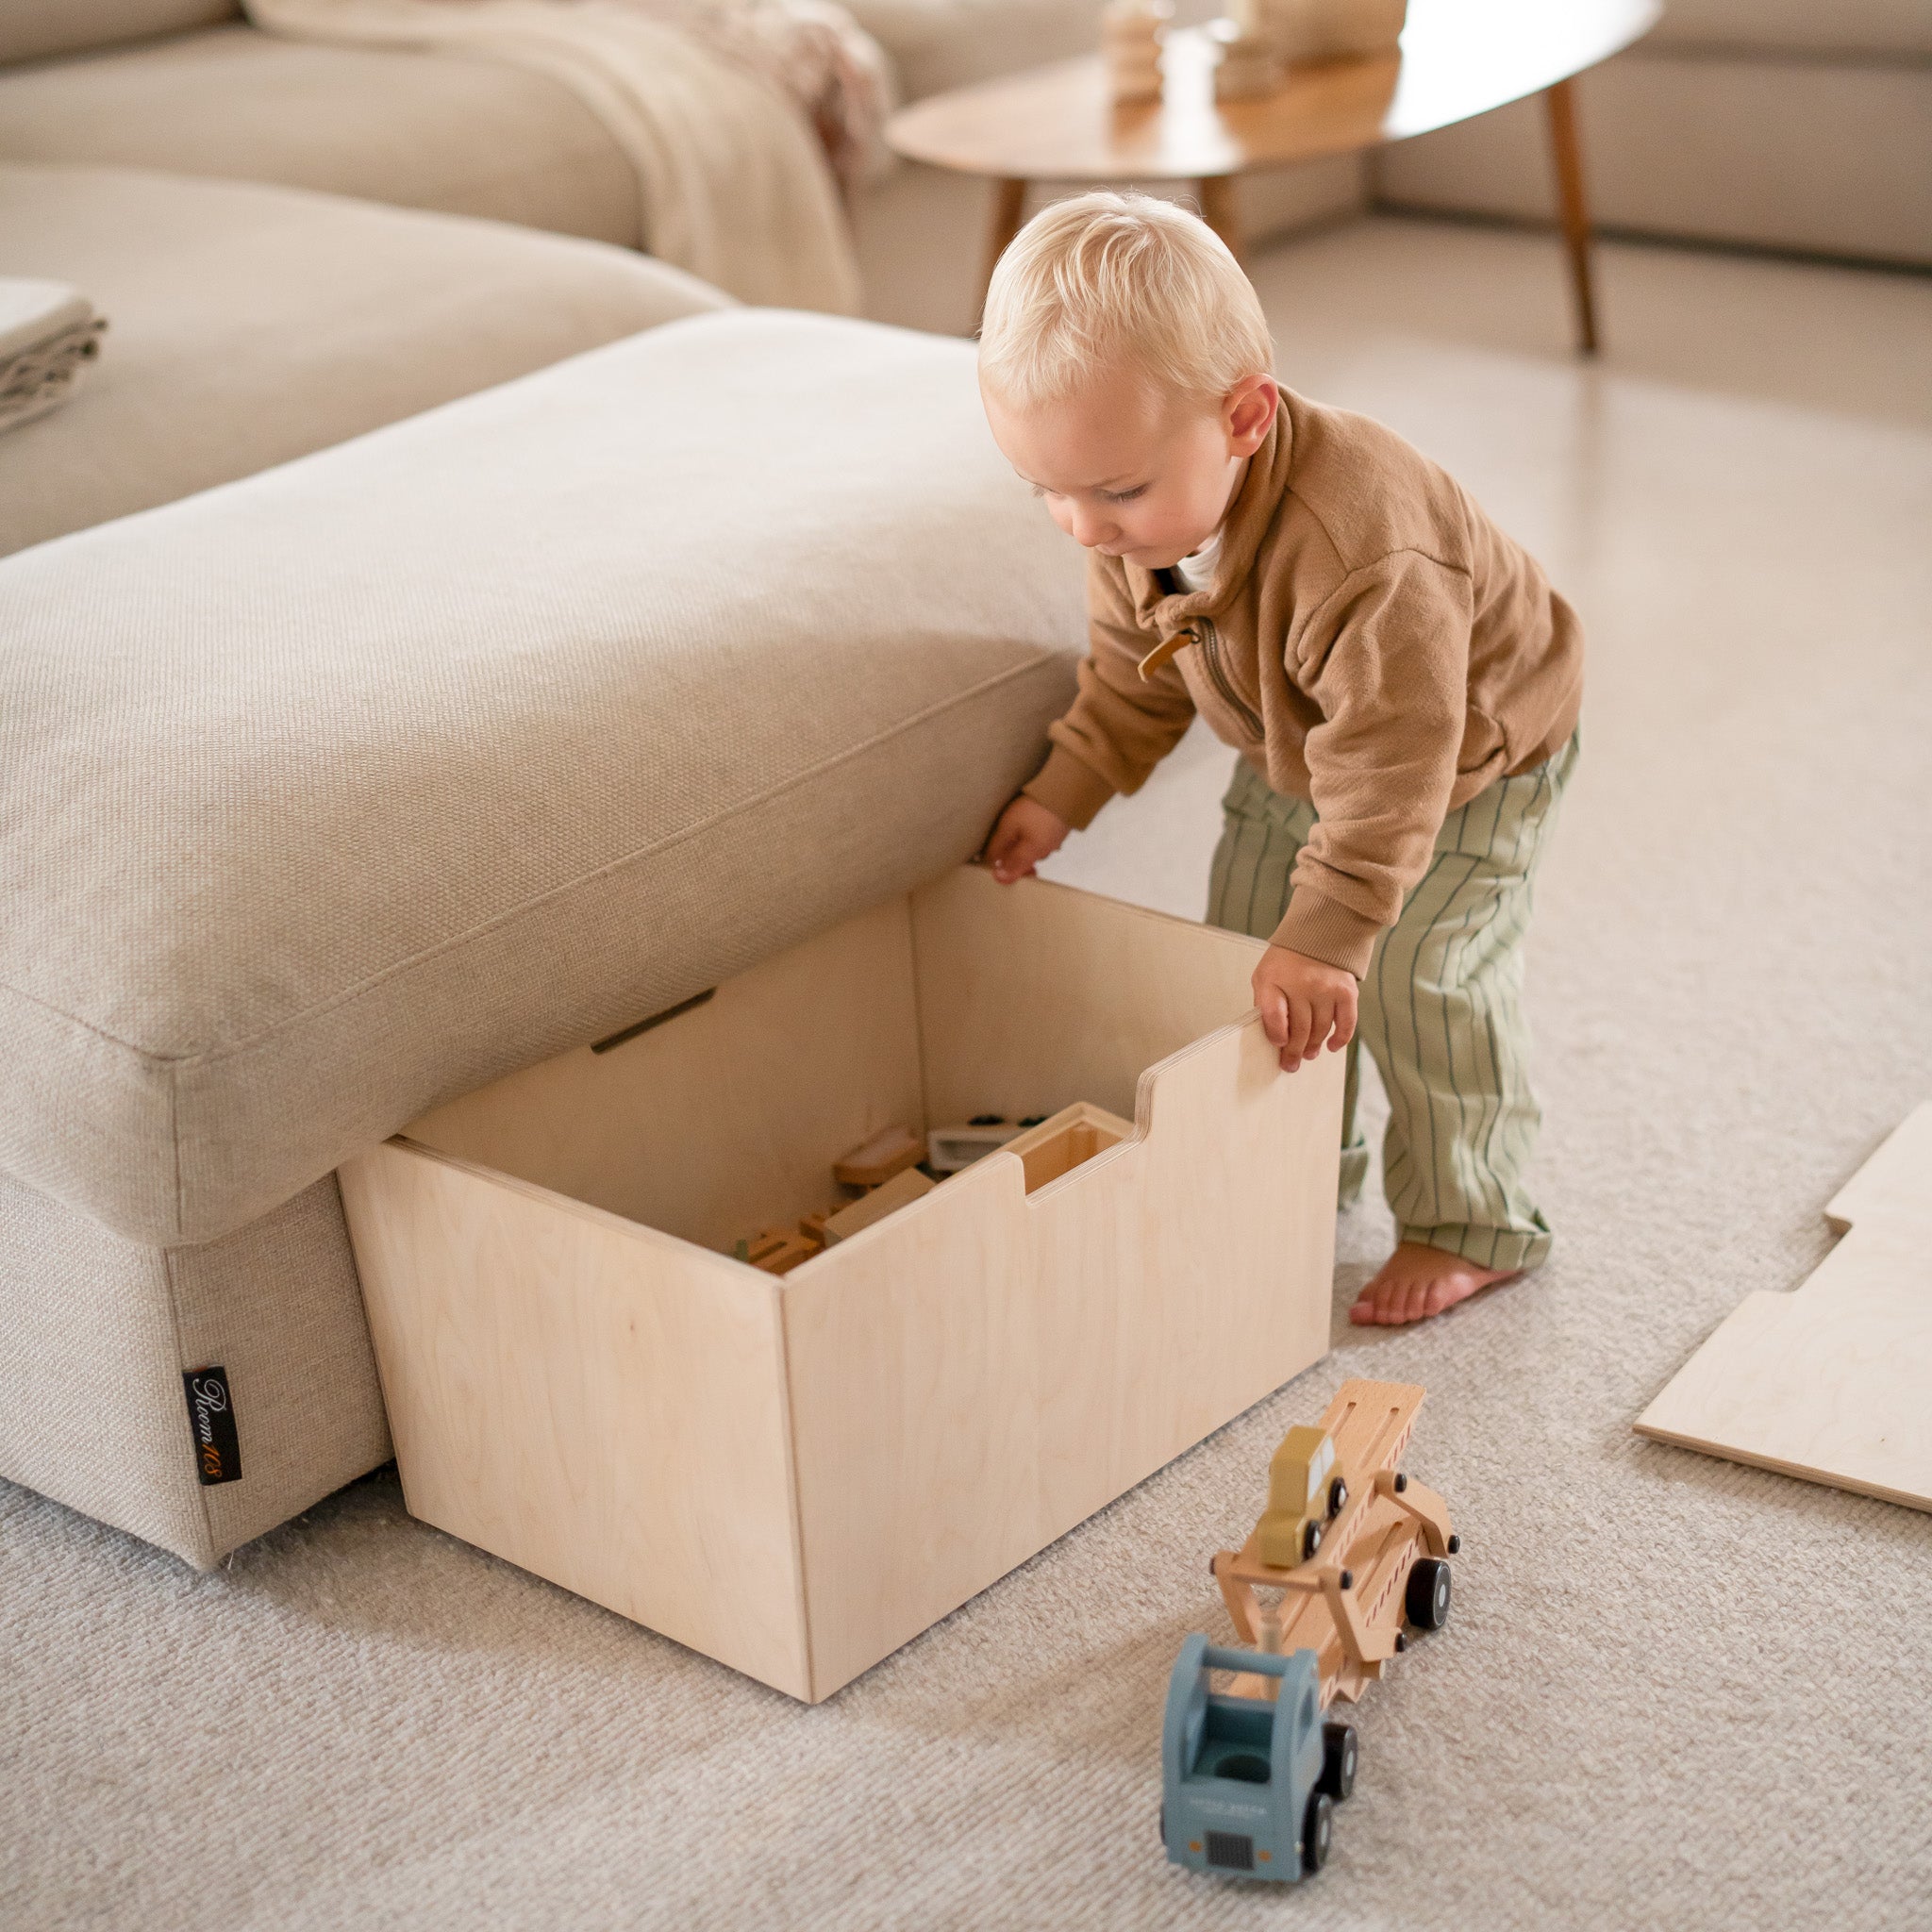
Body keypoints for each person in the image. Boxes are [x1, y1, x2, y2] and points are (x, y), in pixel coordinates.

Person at [977, 192, 1582, 1327]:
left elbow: (1396, 755)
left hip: (1467, 750)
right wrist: (1063, 792)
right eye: (1046, 491)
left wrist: (1337, 927)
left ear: (1246, 418)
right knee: (1248, 959)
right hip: (1300, 734)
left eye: (1110, 491)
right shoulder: (1135, 523)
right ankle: (1305, 1166)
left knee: (1407, 974)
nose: (1080, 527)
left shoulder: (1366, 547)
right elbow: (1130, 670)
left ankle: (1473, 1218)